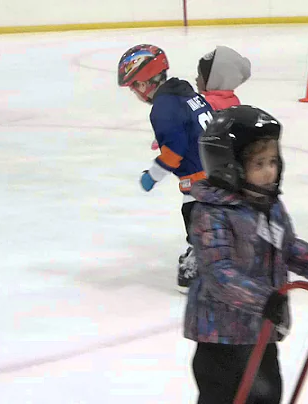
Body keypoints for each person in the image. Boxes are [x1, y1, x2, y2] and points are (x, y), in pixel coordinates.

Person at [184, 105, 308, 404]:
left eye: (273, 161)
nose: (269, 171)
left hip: (260, 331)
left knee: (267, 396)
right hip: (221, 338)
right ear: (229, 166)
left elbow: (287, 248)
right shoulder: (211, 213)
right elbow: (219, 274)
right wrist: (266, 299)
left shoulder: (268, 204)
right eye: (258, 163)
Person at [117, 44, 214, 292]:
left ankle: (201, 266)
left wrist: (152, 175)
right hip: (220, 169)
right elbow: (194, 126)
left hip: (201, 181)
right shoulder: (187, 94)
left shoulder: (163, 107)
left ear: (144, 83)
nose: (135, 93)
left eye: (133, 87)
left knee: (197, 223)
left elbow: (174, 153)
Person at [196, 45, 251, 110]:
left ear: (213, 80)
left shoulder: (208, 104)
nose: (196, 79)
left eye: (200, 75)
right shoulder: (233, 99)